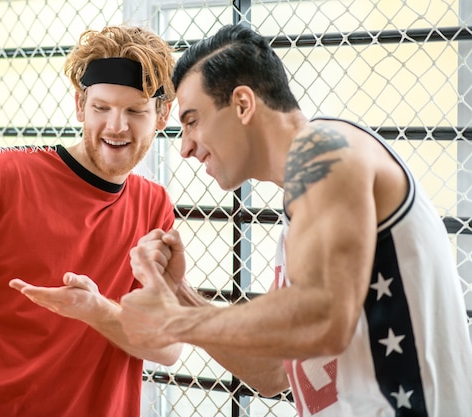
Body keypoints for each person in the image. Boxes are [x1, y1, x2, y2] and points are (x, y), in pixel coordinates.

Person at [118, 23, 472, 416]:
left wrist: (174, 323)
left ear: (242, 104)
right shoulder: (303, 210)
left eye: (191, 120)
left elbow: (323, 319)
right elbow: (271, 372)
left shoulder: (322, 148)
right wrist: (178, 294)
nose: (184, 146)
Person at [0, 25, 182, 417]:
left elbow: (167, 347)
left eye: (135, 110)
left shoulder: (154, 206)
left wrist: (98, 310)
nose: (116, 126)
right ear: (80, 105)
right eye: (101, 108)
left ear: (161, 114)